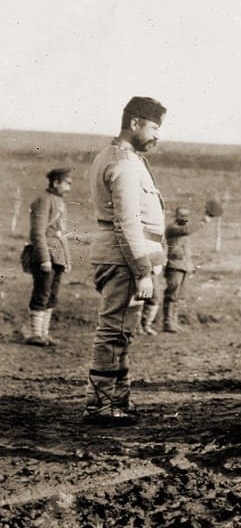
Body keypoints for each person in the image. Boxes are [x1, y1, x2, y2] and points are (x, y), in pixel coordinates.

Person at [84, 97, 168, 424]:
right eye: (153, 127)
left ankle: (118, 401)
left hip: (122, 257)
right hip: (125, 259)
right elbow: (128, 223)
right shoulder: (123, 162)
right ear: (134, 123)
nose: (156, 135)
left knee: (123, 330)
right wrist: (143, 269)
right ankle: (100, 406)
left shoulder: (120, 156)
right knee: (114, 330)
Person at [140, 206, 216, 334]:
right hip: (174, 265)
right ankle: (168, 323)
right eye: (182, 216)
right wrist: (205, 219)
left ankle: (172, 322)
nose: (184, 218)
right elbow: (187, 230)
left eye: (186, 216)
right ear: (177, 216)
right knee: (172, 295)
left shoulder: (182, 229)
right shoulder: (172, 228)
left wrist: (191, 267)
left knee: (179, 296)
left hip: (184, 266)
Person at [25, 167, 73, 346]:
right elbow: (38, 233)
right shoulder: (43, 201)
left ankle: (44, 334)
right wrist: (44, 258)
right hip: (45, 256)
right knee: (42, 293)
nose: (69, 188)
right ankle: (35, 334)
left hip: (57, 256)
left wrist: (66, 260)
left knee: (52, 296)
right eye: (66, 183)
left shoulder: (59, 201)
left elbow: (61, 234)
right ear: (55, 183)